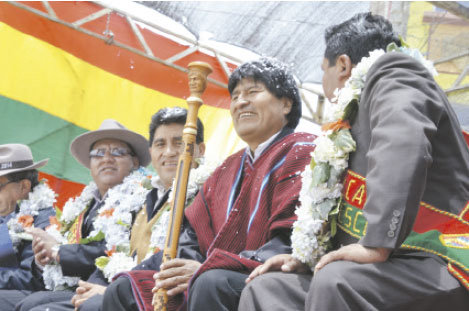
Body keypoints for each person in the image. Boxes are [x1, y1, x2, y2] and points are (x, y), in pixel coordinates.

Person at [239, 12, 469, 311]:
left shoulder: (396, 72)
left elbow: (402, 140)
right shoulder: (350, 118)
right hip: (388, 261)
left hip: (437, 255)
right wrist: (306, 258)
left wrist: (377, 243)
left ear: (344, 65)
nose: (324, 83)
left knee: (337, 281)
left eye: (325, 70)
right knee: (268, 289)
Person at [101, 58, 317, 311]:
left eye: (252, 92)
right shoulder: (228, 167)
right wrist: (181, 270)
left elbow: (290, 238)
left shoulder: (303, 150)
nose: (240, 102)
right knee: (125, 289)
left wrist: (205, 268)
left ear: (286, 103)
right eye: (235, 96)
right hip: (210, 273)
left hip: (268, 277)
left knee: (211, 282)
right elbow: (193, 233)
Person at [1, 119, 151, 310]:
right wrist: (43, 259)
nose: (106, 158)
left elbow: (114, 250)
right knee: (30, 304)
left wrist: (57, 251)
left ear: (135, 161)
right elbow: (51, 260)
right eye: (98, 153)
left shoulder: (142, 199)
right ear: (90, 164)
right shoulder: (83, 205)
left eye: (117, 152)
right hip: (73, 287)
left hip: (112, 290)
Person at [67, 107, 208, 311]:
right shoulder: (143, 196)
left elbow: (182, 254)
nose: (169, 152)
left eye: (179, 143)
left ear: (200, 150)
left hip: (163, 297)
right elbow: (114, 250)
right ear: (151, 152)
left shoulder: (206, 192)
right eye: (161, 144)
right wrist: (93, 285)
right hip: (121, 289)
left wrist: (114, 289)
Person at [0, 144, 55, 308]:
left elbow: (31, 277)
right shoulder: (4, 210)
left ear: (23, 186)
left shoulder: (43, 220)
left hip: (25, 298)